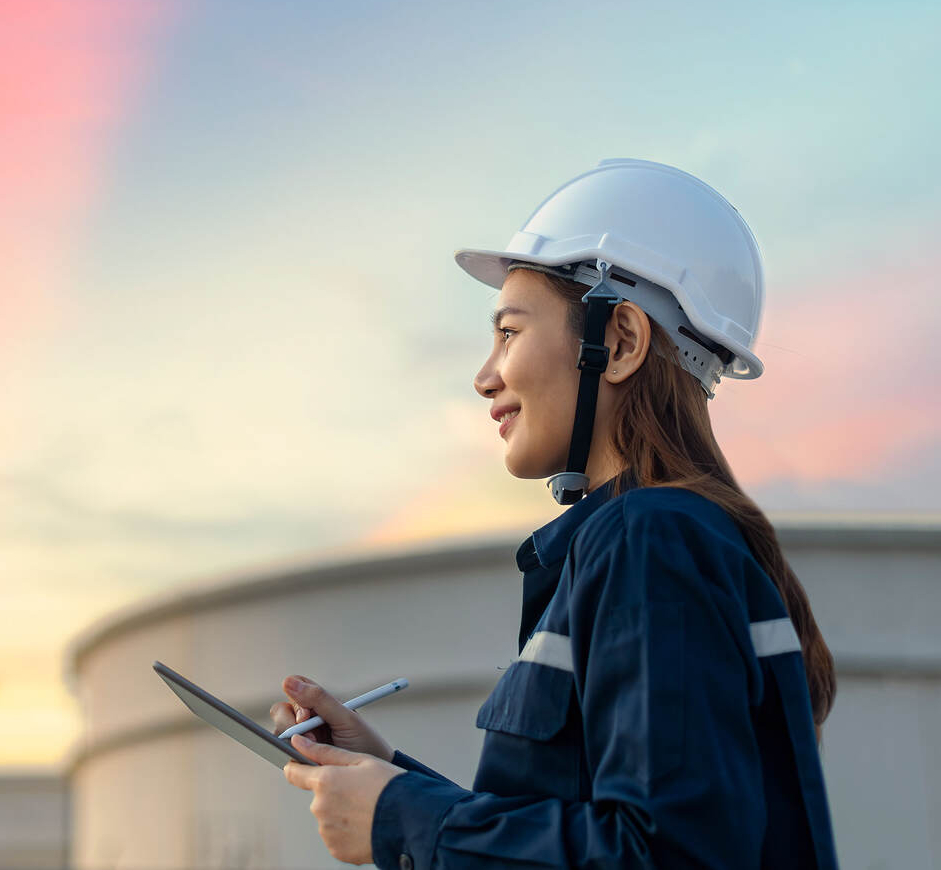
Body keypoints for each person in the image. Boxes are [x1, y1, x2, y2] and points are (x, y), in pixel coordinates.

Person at [272, 159, 840, 869]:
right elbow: (603, 830)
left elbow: (669, 857)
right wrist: (388, 776)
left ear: (623, 341)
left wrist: (404, 818)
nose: (484, 376)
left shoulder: (650, 541)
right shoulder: (659, 542)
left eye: (508, 332)